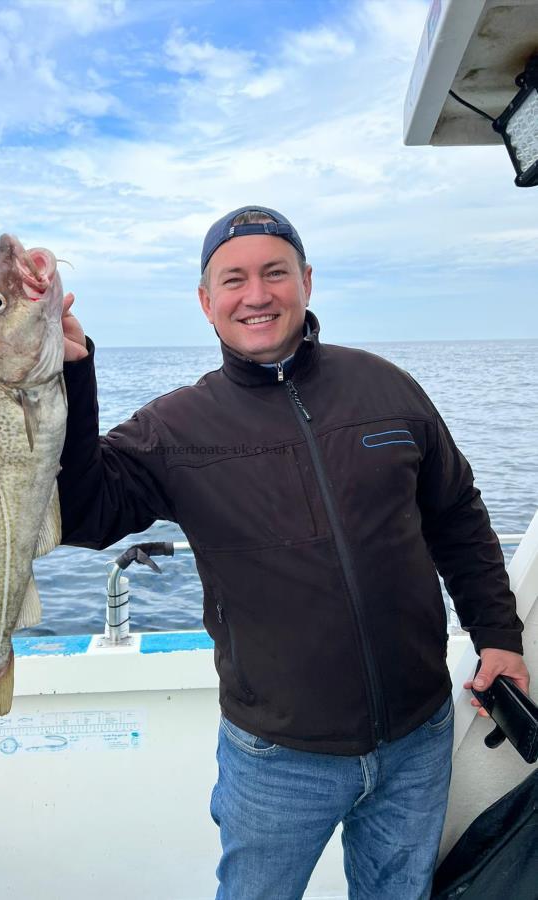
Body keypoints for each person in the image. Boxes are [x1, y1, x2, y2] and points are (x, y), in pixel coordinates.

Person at [57, 206, 529, 900]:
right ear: (205, 302)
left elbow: (455, 514)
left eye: (274, 272)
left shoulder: (385, 386)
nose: (256, 294)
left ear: (305, 281)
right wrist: (68, 378)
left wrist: (496, 635)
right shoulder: (175, 426)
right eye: (233, 279)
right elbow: (81, 513)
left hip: (416, 735)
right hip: (277, 756)